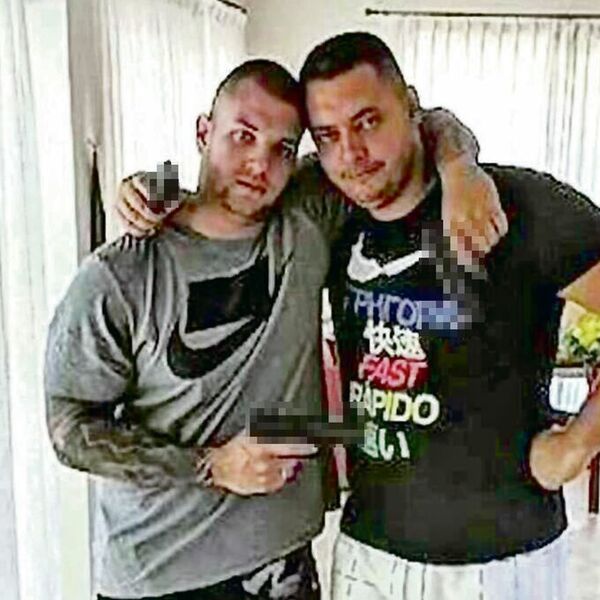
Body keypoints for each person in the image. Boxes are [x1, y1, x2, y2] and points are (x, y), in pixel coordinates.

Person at [50, 58, 501, 600]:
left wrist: (460, 170)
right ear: (203, 132)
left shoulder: (305, 217)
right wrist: (211, 465)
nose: (259, 165)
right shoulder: (121, 272)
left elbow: (423, 121)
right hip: (159, 576)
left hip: (283, 566)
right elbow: (68, 428)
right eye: (243, 136)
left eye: (282, 148)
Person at [295, 32, 600, 600]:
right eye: (328, 135)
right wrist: (152, 187)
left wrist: (579, 443)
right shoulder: (331, 214)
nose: (351, 155)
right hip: (368, 553)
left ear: (410, 106)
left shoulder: (519, 205)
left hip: (504, 560)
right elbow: (217, 187)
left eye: (368, 122)